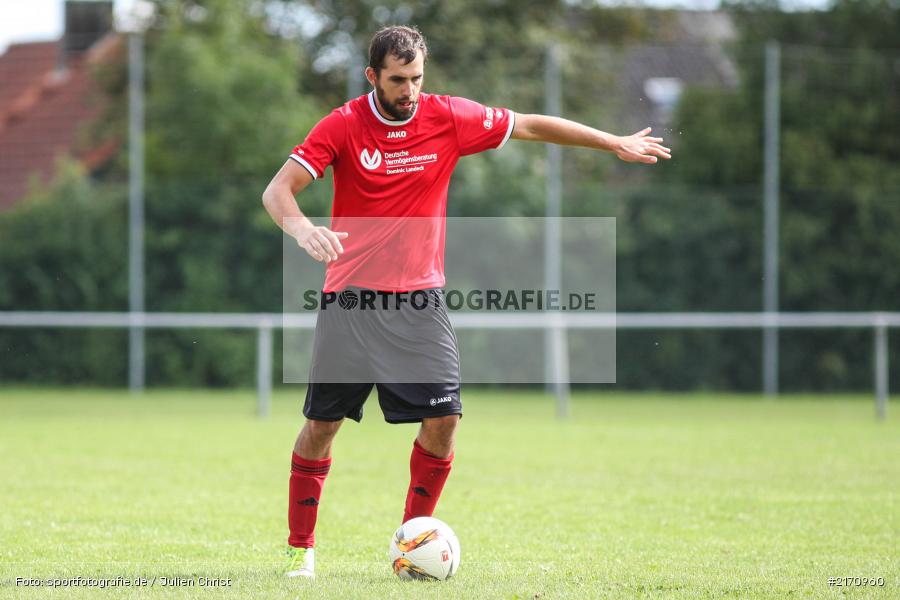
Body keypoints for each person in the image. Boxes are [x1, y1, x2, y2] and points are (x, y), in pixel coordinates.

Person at [262, 25, 671, 579]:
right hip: (351, 301)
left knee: (445, 418)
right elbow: (277, 191)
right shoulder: (342, 124)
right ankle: (298, 549)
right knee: (321, 427)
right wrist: (303, 229)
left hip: (420, 300)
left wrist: (612, 141)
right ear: (372, 77)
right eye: (397, 80)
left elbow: (527, 124)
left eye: (417, 78)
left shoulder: (449, 117)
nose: (409, 90)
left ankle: (411, 543)